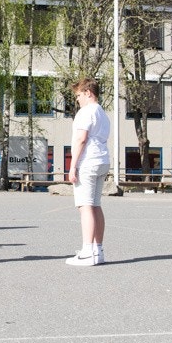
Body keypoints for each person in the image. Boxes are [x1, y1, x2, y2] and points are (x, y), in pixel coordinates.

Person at [64, 77, 111, 266]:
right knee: (96, 205)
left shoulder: (85, 112)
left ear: (88, 93)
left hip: (88, 161)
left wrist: (72, 165)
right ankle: (97, 250)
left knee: (85, 206)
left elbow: (81, 139)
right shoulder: (102, 113)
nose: (77, 99)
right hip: (102, 160)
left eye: (78, 95)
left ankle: (86, 251)